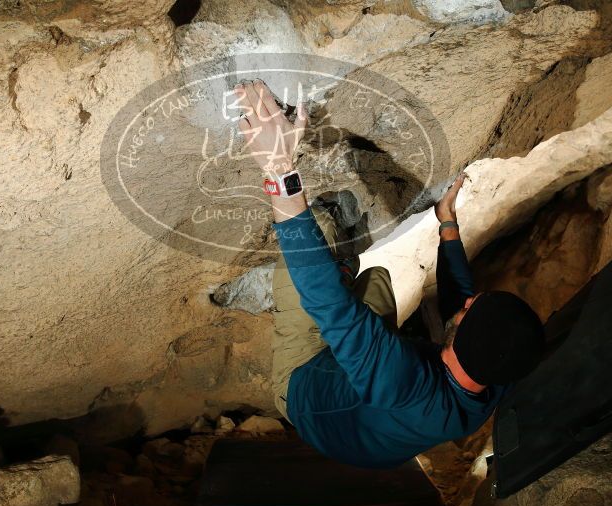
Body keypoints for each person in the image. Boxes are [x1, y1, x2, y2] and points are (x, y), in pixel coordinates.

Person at [234, 80, 546, 468]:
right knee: (378, 278)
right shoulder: (489, 378)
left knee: (317, 232)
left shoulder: (402, 379)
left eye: (470, 308)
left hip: (304, 386)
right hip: (369, 418)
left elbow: (327, 301)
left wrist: (280, 170)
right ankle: (345, 268)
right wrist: (447, 224)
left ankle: (335, 257)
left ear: (463, 339)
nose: (466, 300)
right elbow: (458, 305)